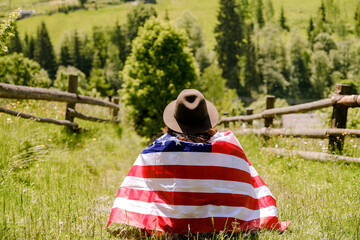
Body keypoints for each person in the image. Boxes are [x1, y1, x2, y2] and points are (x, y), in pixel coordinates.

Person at [107, 89, 289, 235]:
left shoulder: (157, 150)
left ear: (174, 120)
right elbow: (246, 185)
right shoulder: (229, 147)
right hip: (224, 223)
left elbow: (140, 192)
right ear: (207, 120)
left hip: (173, 224)